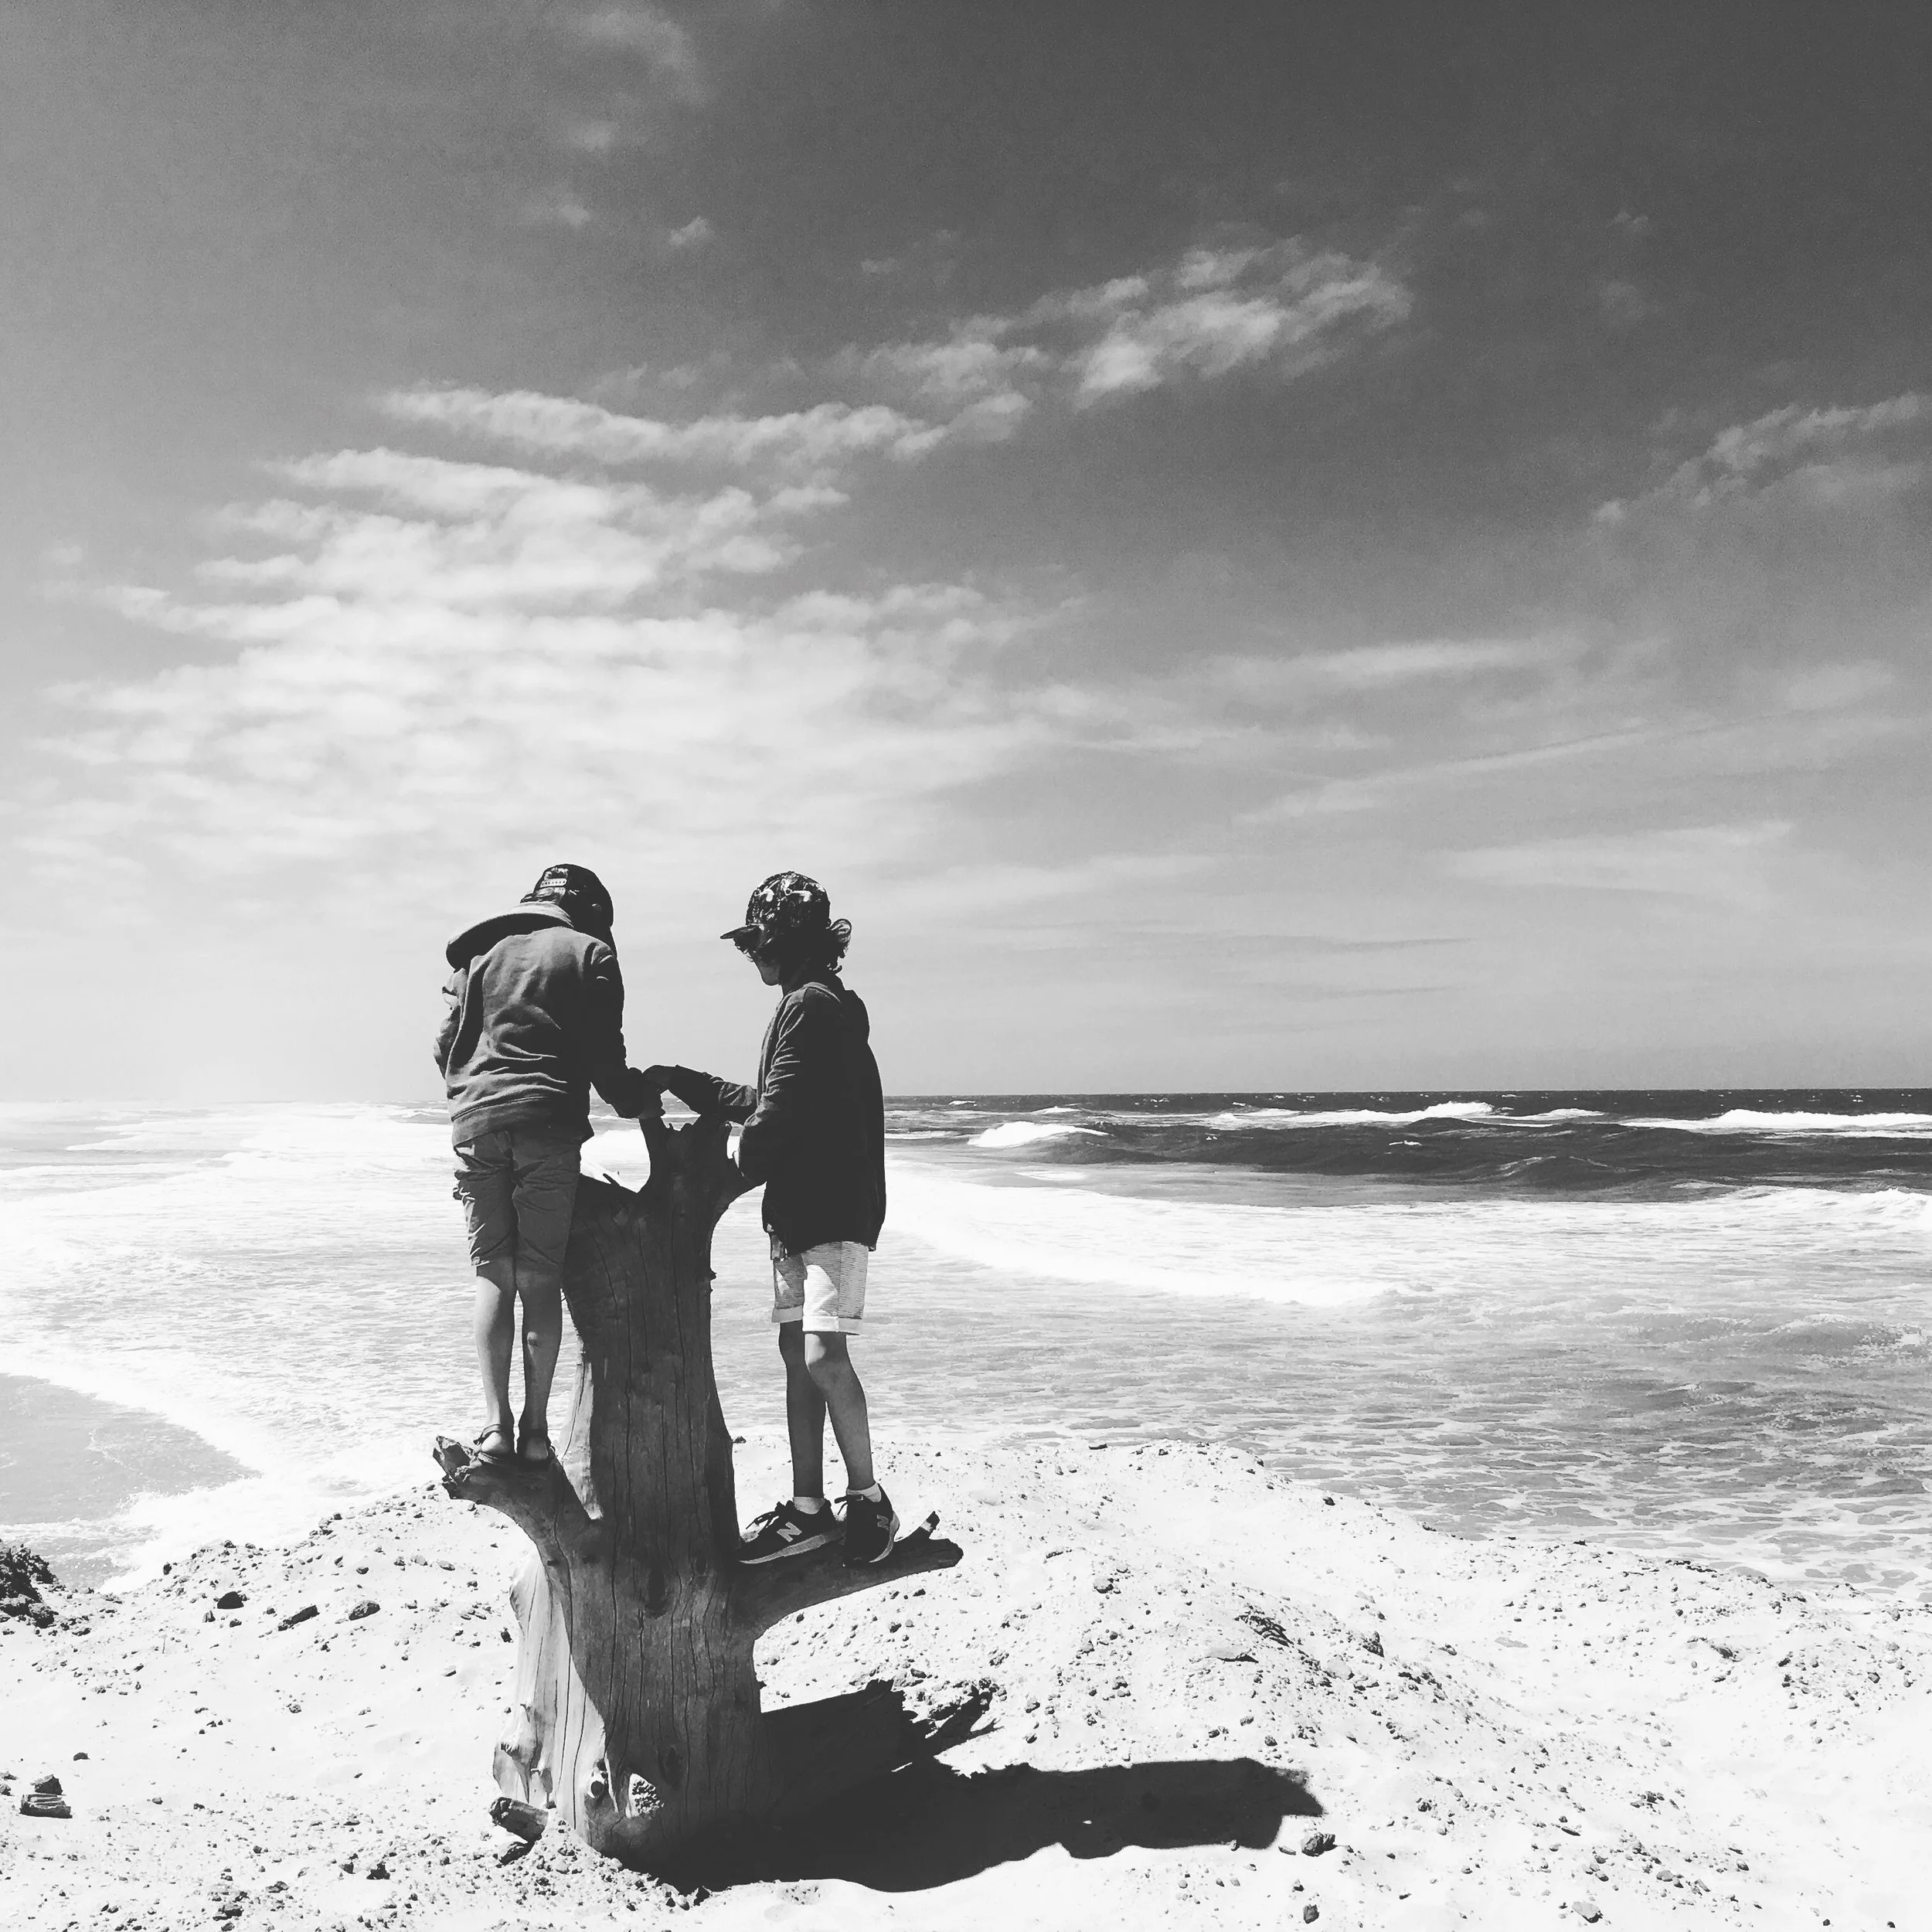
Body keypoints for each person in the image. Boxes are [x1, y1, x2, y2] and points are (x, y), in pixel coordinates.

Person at [643, 872, 894, 1566]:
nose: (751, 955)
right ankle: (808, 1508)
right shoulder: (819, 1005)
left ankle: (869, 1499)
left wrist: (737, 1163)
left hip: (829, 1212)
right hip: (803, 1210)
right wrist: (684, 1081)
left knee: (822, 1355)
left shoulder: (809, 1007)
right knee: (797, 1357)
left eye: (757, 942)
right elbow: (768, 1096)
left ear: (784, 942)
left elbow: (772, 1114)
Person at [436, 863, 655, 1468]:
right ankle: (535, 1434)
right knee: (538, 1282)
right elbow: (607, 1064)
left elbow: (442, 1044)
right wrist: (640, 1100)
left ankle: (495, 1428)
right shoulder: (589, 955)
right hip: (548, 1125)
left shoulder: (479, 954)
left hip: (476, 1125)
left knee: (492, 1277)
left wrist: (474, 1090)